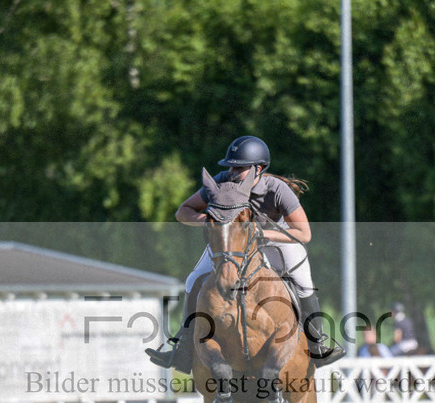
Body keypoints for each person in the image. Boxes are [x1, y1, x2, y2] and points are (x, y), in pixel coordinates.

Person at [146, 135, 345, 373]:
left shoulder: (276, 190)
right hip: (232, 240)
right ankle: (184, 348)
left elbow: (304, 233)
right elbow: (183, 212)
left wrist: (263, 233)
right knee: (193, 280)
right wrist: (212, 220)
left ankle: (318, 344)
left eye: (238, 167)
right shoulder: (220, 183)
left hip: (276, 237)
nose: (231, 171)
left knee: (303, 283)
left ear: (257, 169)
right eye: (230, 166)